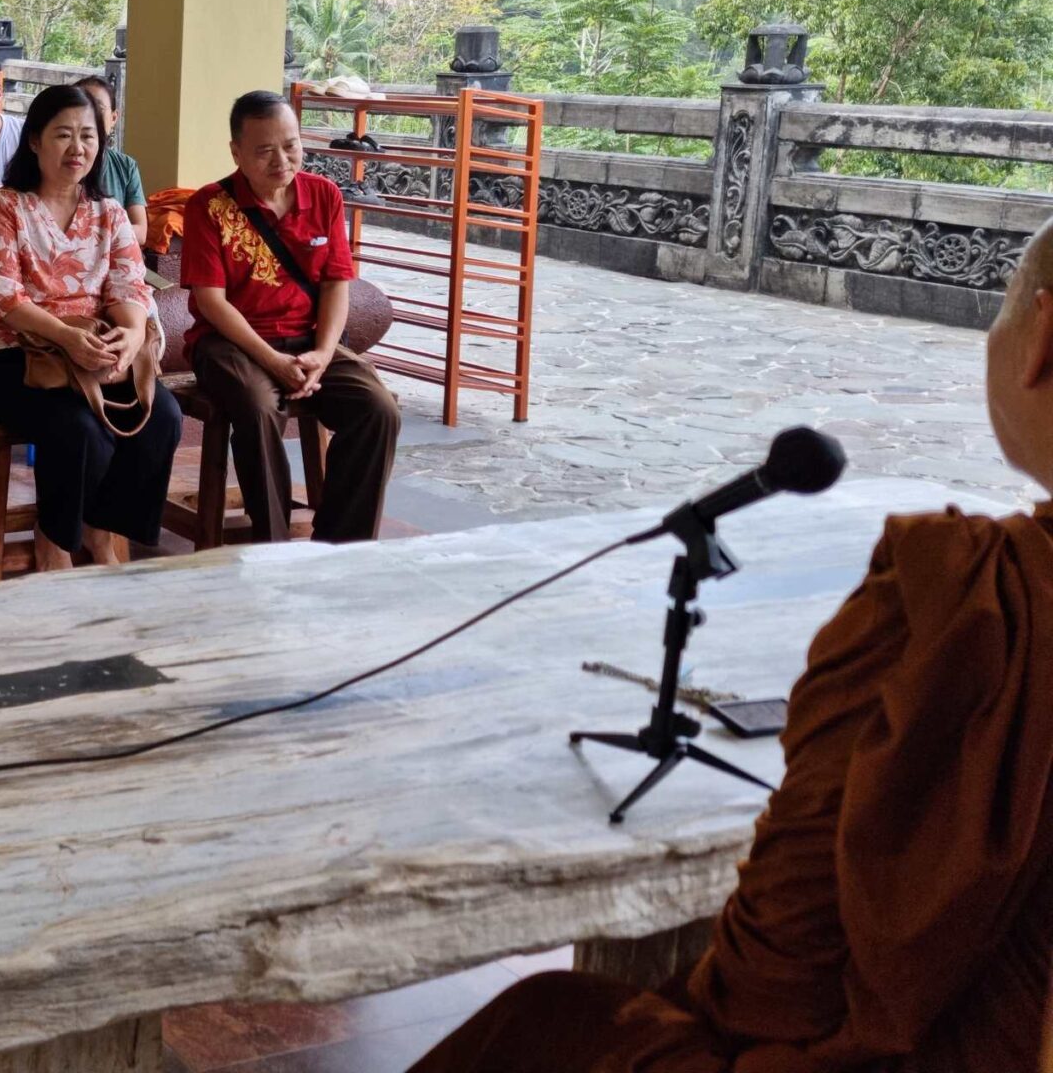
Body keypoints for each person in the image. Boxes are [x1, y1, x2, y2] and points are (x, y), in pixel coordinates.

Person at [410, 220, 1053, 1073]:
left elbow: (776, 982)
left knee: (541, 1021)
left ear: (1042, 336)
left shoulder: (962, 596)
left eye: (1001, 307)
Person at [0, 84, 182, 572]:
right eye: (63, 135)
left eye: (88, 136)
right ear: (34, 141)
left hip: (90, 353)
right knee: (77, 428)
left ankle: (102, 528)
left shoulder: (109, 212)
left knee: (162, 415)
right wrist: (65, 337)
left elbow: (129, 287)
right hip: (8, 354)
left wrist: (130, 335)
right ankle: (55, 539)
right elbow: (2, 298)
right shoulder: (3, 208)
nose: (77, 148)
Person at [181, 91, 398, 545]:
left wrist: (323, 354)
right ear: (236, 152)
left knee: (378, 409)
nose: (281, 160)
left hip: (307, 340)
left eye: (291, 145)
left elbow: (337, 283)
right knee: (259, 407)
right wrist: (273, 362)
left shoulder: (323, 195)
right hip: (231, 343)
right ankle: (273, 544)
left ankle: (340, 544)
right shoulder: (208, 206)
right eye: (264, 150)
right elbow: (212, 302)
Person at [76, 77, 148, 244]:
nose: (90, 115)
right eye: (82, 106)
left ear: (114, 118)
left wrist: (94, 232)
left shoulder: (126, 166)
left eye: (98, 108)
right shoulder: (58, 162)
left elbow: (140, 232)